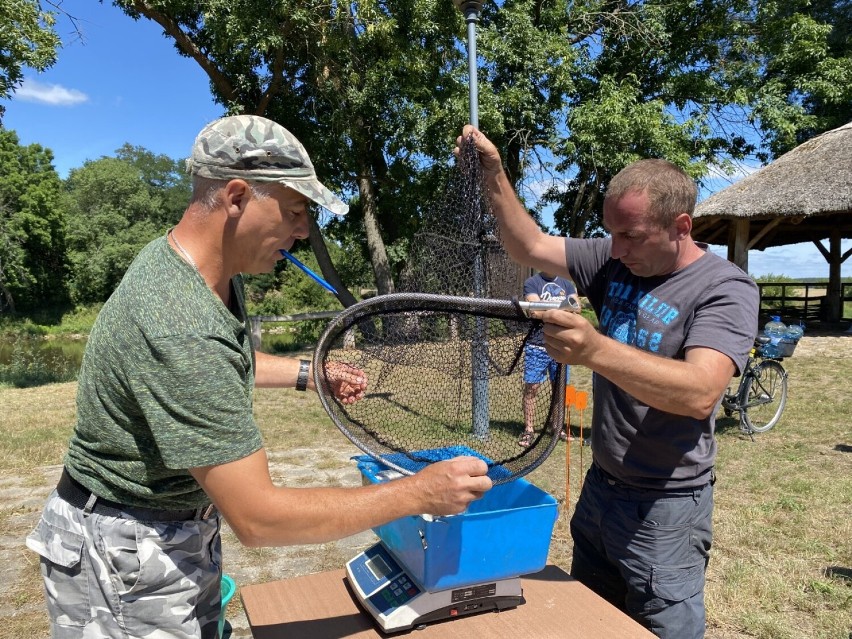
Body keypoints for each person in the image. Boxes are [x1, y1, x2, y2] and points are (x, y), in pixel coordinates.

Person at [25, 115, 492, 639]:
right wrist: (418, 494)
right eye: (295, 211)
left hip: (172, 528)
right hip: (126, 553)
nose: (303, 230)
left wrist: (309, 373)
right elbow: (259, 517)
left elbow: (227, 365)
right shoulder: (179, 320)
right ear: (238, 196)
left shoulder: (210, 273)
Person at [456, 125, 758, 639]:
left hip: (665, 507)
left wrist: (594, 349)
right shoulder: (613, 259)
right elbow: (527, 243)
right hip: (600, 492)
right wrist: (495, 173)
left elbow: (700, 391)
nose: (615, 250)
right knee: (592, 624)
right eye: (611, 233)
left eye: (631, 236)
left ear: (680, 226)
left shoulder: (724, 287)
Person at [518, 271, 580, 447]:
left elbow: (576, 308)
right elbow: (535, 312)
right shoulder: (532, 282)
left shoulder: (567, 283)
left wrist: (547, 309)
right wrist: (563, 308)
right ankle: (529, 430)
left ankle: (557, 427)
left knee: (559, 389)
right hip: (537, 345)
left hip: (561, 345)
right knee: (532, 387)